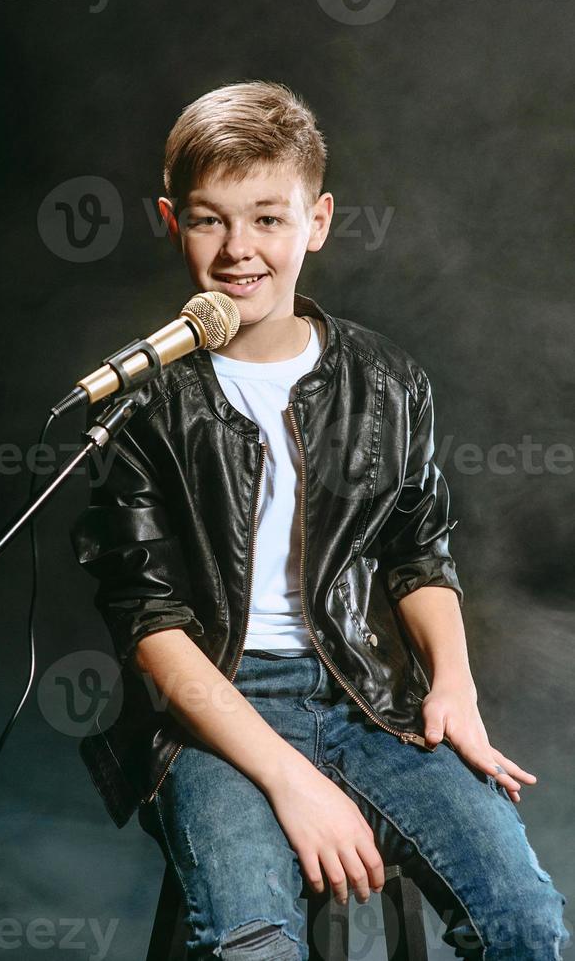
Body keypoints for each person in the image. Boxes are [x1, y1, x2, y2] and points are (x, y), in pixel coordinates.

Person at [70, 81, 570, 960]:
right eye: (207, 220)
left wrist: (454, 685)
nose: (238, 250)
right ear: (170, 221)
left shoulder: (387, 382)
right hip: (216, 711)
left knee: (526, 923)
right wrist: (290, 780)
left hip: (365, 694)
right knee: (255, 946)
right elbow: (149, 624)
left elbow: (419, 555)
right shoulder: (142, 405)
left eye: (268, 218)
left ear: (320, 220)